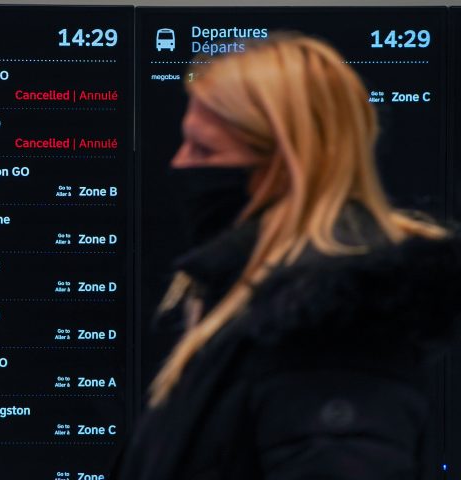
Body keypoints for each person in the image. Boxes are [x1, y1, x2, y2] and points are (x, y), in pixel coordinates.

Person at [113, 34, 461, 479]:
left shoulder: (331, 322)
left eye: (204, 149)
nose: (179, 164)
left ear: (284, 163)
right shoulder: (248, 298)